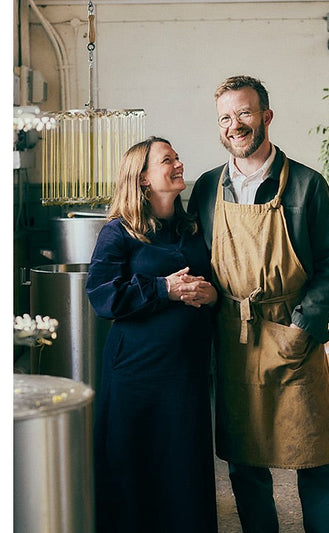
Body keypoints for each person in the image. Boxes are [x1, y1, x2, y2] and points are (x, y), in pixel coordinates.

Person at [188, 75, 329, 533]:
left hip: (291, 334)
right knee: (246, 462)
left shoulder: (306, 185)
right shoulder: (206, 189)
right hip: (234, 339)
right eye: (225, 117)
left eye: (243, 113)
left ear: (266, 117)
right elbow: (196, 257)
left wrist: (304, 325)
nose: (234, 125)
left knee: (316, 457)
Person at [86, 137, 219, 533]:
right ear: (143, 179)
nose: (179, 164)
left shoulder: (192, 228)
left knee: (185, 473)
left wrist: (211, 296)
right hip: (136, 377)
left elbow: (211, 284)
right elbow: (102, 296)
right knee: (134, 475)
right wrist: (163, 289)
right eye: (167, 160)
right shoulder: (119, 232)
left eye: (177, 157)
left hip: (186, 375)